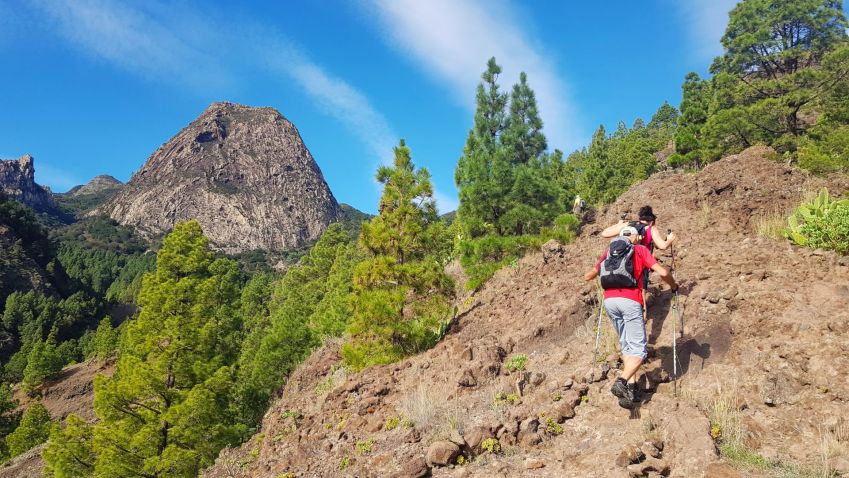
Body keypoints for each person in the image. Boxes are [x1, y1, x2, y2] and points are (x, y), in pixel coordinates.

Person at [584, 226, 678, 409]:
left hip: (610, 302)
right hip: (630, 300)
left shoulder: (609, 252)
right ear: (635, 238)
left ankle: (631, 389)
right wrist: (673, 286)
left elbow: (588, 276)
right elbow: (663, 273)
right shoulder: (640, 250)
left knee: (627, 345)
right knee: (640, 350)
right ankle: (622, 381)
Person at [600, 206, 675, 312]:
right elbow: (662, 246)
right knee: (641, 291)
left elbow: (604, 233)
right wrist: (670, 240)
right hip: (641, 263)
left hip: (623, 263)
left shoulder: (628, 225)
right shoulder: (651, 228)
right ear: (652, 221)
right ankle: (642, 314)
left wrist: (618, 224)